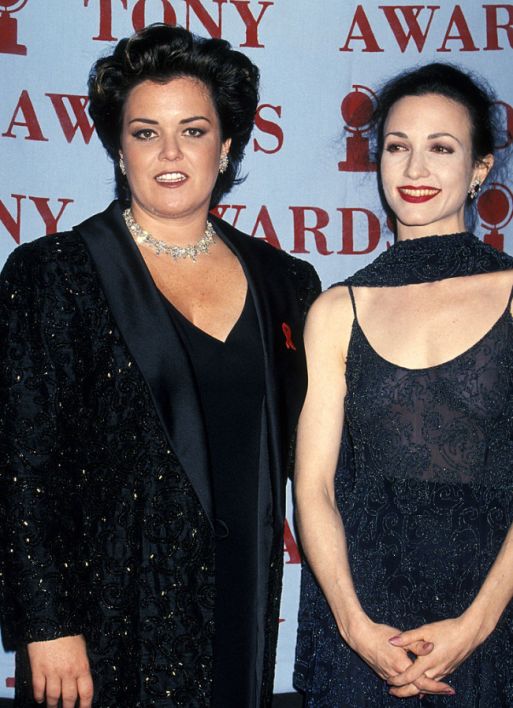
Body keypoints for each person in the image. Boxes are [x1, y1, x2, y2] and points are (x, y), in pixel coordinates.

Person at [0, 23, 320, 708]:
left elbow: (316, 460)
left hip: (240, 609)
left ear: (227, 145)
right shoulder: (56, 273)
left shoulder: (285, 281)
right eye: (145, 132)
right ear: (119, 148)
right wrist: (48, 625)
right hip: (102, 625)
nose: (169, 152)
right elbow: (21, 465)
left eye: (194, 131)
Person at [293, 62, 513, 706]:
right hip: (363, 624)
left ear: (480, 168)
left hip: (493, 610)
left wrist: (475, 627)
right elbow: (313, 488)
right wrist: (356, 628)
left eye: (441, 148)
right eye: (398, 147)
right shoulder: (337, 309)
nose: (415, 170)